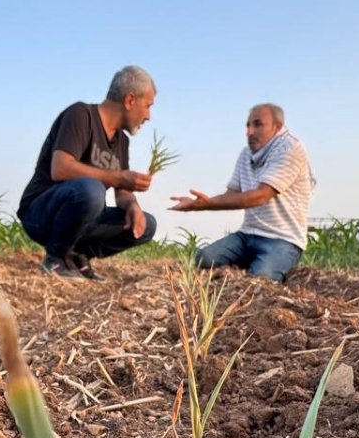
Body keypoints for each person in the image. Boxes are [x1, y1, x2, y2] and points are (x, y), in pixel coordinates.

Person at [17, 65, 159, 281]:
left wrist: (132, 206)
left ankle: (77, 256)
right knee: (91, 190)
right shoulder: (81, 115)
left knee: (147, 224)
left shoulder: (121, 142)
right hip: (41, 213)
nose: (148, 116)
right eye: (147, 106)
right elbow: (60, 168)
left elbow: (122, 192)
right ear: (130, 100)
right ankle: (56, 256)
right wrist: (119, 177)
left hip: (86, 214)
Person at [170, 103, 315, 283]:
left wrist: (206, 204)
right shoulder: (246, 154)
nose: (249, 131)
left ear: (277, 127)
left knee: (259, 281)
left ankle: (270, 263)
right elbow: (231, 195)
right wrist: (198, 203)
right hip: (247, 235)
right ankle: (250, 262)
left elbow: (261, 195)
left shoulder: (290, 148)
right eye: (248, 125)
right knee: (203, 259)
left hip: (282, 239)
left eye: (257, 124)